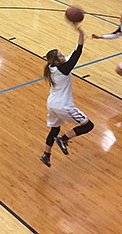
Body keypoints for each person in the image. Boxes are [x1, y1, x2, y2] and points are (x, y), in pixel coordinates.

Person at [39, 26, 94, 168]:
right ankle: (63, 139)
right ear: (57, 61)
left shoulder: (52, 67)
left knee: (54, 129)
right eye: (61, 56)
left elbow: (74, 52)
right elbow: (77, 54)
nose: (64, 56)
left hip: (52, 104)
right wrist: (81, 33)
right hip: (63, 106)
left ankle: (46, 155)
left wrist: (82, 35)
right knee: (88, 125)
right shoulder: (63, 69)